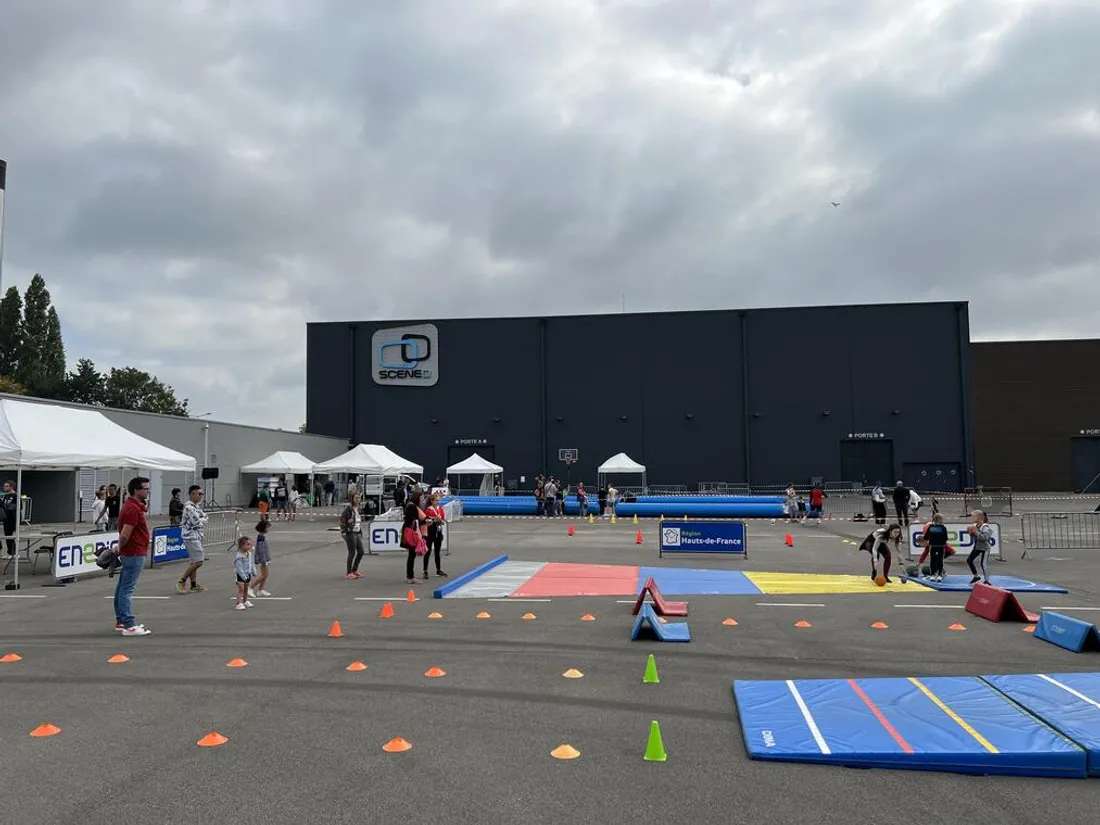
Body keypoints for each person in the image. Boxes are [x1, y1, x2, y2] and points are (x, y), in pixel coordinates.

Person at [115, 476, 152, 636]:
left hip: (132, 551)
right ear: (136, 490)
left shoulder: (133, 507)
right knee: (127, 590)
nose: (147, 491)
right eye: (145, 488)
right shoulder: (132, 509)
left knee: (122, 588)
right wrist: (120, 546)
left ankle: (122, 621)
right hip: (134, 552)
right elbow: (125, 534)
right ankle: (129, 625)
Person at [177, 485, 209, 593]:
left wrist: (202, 519)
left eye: (201, 494)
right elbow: (197, 522)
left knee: (194, 561)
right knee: (199, 561)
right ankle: (182, 580)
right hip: (190, 536)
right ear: (192, 494)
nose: (200, 496)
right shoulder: (189, 507)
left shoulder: (196, 506)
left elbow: (205, 516)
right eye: (198, 494)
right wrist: (202, 519)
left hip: (196, 535)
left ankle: (193, 584)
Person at [402, 489, 428, 585]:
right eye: (421, 498)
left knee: (412, 555)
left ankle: (410, 576)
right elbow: (414, 521)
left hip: (410, 531)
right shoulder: (412, 507)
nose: (422, 500)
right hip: (412, 532)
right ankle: (410, 576)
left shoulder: (411, 506)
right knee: (412, 555)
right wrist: (425, 522)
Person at [340, 492, 365, 580]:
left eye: (359, 498)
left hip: (357, 532)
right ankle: (349, 572)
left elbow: (357, 521)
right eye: (356, 498)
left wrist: (360, 531)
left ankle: (355, 570)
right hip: (350, 533)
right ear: (352, 499)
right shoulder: (349, 509)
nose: (358, 500)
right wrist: (344, 530)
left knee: (361, 551)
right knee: (352, 552)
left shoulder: (358, 508)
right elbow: (342, 520)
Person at [422, 494, 448, 579]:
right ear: (432, 501)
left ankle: (438, 569)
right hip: (430, 532)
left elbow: (443, 520)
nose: (438, 502)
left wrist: (441, 520)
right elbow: (426, 521)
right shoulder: (428, 510)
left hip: (438, 531)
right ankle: (425, 570)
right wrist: (434, 519)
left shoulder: (440, 509)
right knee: (428, 551)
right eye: (436, 500)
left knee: (437, 552)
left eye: (438, 500)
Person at [967, 510, 994, 585]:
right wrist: (971, 533)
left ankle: (987, 580)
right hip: (977, 547)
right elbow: (975, 537)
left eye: (974, 517)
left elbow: (985, 537)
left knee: (983, 564)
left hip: (985, 548)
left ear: (980, 518)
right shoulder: (975, 526)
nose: (972, 518)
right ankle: (976, 576)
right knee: (969, 560)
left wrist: (975, 532)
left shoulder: (985, 527)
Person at [922, 514, 950, 582]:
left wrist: (929, 540)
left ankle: (933, 574)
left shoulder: (930, 527)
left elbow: (925, 537)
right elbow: (946, 538)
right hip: (941, 546)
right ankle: (940, 574)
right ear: (941, 520)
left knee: (933, 560)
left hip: (933, 546)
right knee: (940, 560)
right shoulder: (943, 528)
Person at [250, 520, 273, 597]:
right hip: (264, 559)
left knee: (266, 574)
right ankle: (250, 588)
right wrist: (264, 560)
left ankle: (261, 589)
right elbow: (261, 550)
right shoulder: (261, 538)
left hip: (266, 558)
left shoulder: (262, 536)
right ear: (264, 528)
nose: (269, 529)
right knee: (263, 575)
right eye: (268, 527)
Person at [233, 536, 255, 610]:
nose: (250, 546)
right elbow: (239, 568)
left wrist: (253, 571)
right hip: (240, 575)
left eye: (250, 544)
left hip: (248, 573)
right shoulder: (239, 557)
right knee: (241, 589)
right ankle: (239, 603)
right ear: (242, 545)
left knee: (246, 589)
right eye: (247, 544)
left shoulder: (249, 554)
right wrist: (243, 576)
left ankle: (245, 600)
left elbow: (251, 563)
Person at [2, 480, 18, 556]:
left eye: (6, 486)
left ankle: (14, 553)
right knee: (7, 535)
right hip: (6, 519)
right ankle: (10, 552)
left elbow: (16, 507)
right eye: (4, 486)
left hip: (12, 518)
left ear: (11, 487)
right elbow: (3, 506)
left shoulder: (15, 495)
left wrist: (8, 508)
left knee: (11, 535)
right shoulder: (6, 496)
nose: (4, 487)